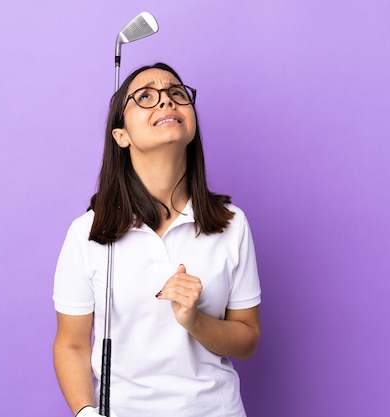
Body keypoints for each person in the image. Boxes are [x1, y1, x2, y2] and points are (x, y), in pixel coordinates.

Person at [53, 62, 261, 417]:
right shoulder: (88, 234)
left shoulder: (231, 224)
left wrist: (195, 320)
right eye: (146, 96)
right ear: (121, 136)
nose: (166, 102)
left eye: (177, 94)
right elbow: (71, 344)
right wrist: (86, 413)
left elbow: (247, 340)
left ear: (191, 124)